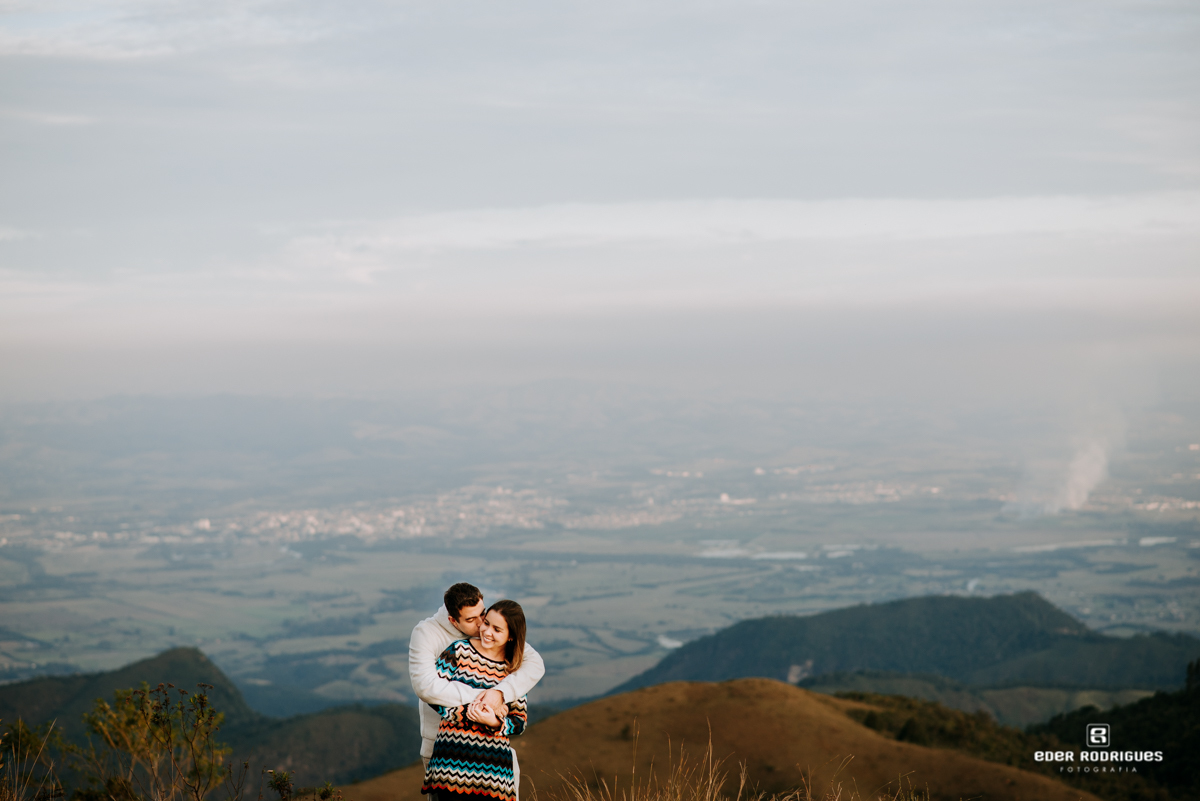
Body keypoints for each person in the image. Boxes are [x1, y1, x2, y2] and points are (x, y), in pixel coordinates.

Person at [409, 584, 544, 796]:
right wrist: (486, 701)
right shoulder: (428, 634)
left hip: (495, 758)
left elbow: (535, 664)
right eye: (472, 620)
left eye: (483, 614)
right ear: (454, 620)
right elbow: (426, 688)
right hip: (446, 750)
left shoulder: (496, 638)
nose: (482, 624)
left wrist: (500, 695)